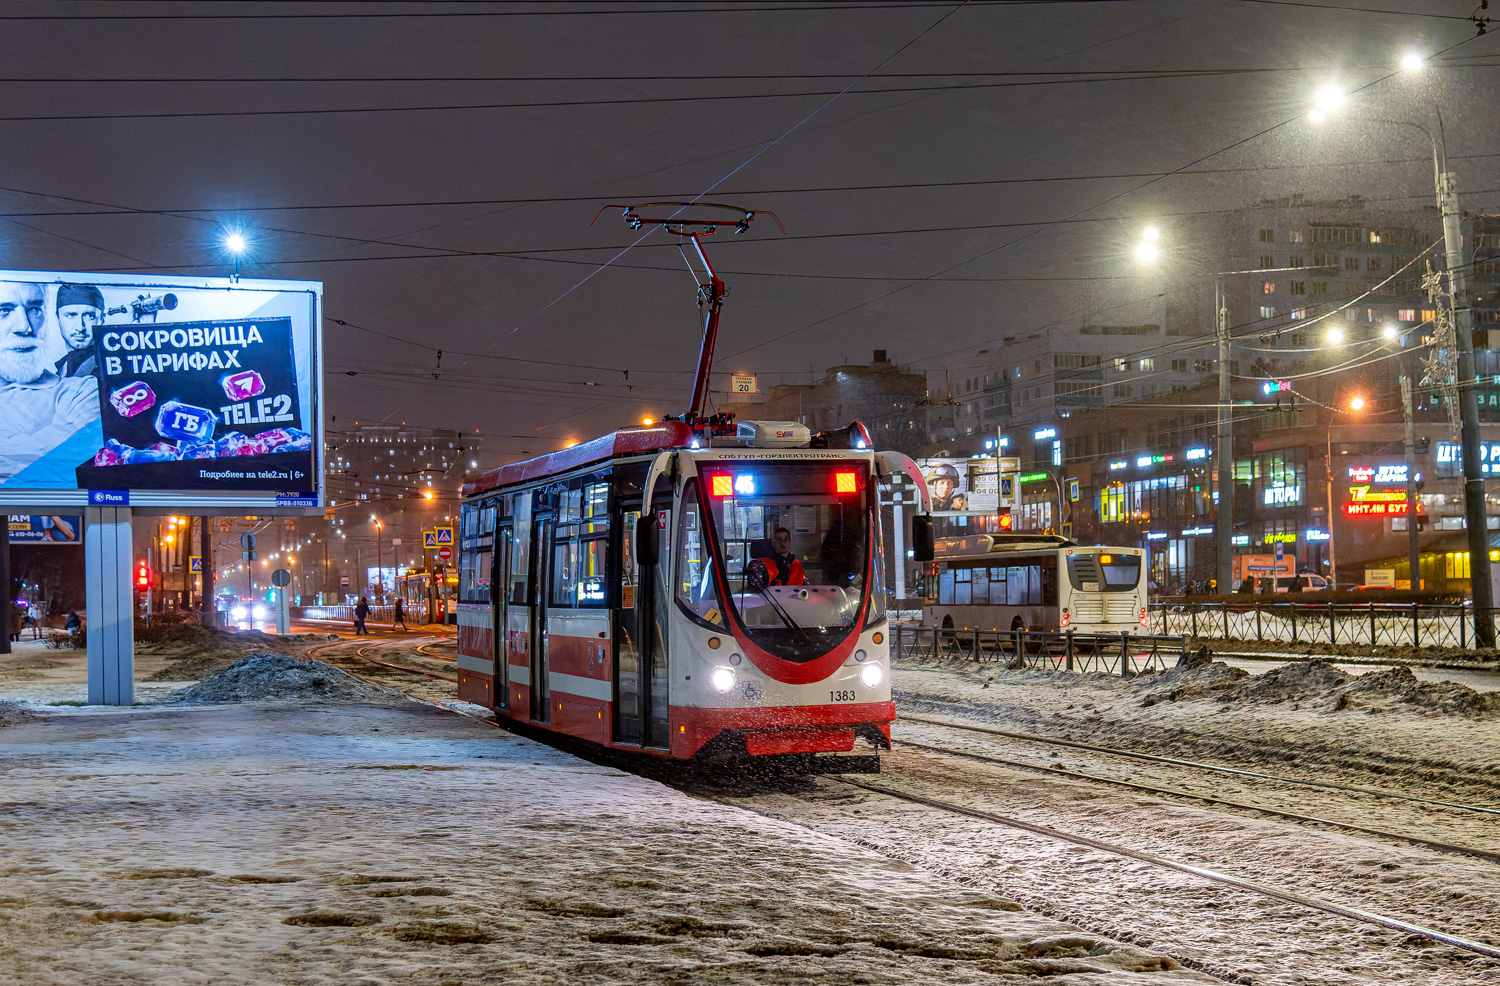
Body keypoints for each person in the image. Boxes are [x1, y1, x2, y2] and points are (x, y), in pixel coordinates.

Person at [0, 281, 100, 483]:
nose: (24, 326)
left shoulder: (83, 391)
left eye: (34, 309)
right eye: (4, 311)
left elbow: (66, 455)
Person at [53, 283, 103, 379]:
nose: (80, 327)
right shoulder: (63, 368)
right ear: (57, 318)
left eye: (89, 316)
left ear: (101, 319)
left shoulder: (106, 366)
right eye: (71, 315)